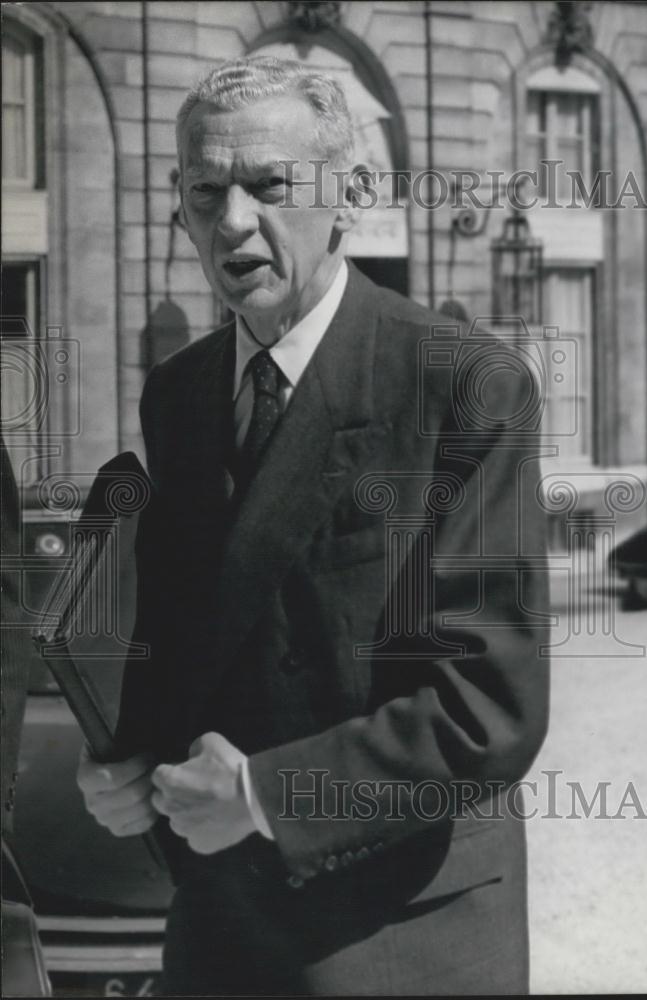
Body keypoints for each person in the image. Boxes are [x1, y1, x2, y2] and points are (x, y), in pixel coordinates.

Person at [77, 56, 550, 995]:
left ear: (356, 195)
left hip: (394, 932)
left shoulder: (463, 383)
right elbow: (190, 637)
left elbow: (488, 709)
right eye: (205, 190)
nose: (234, 222)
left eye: (270, 184)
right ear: (178, 206)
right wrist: (128, 758)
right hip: (217, 927)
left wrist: (261, 793)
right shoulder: (178, 396)